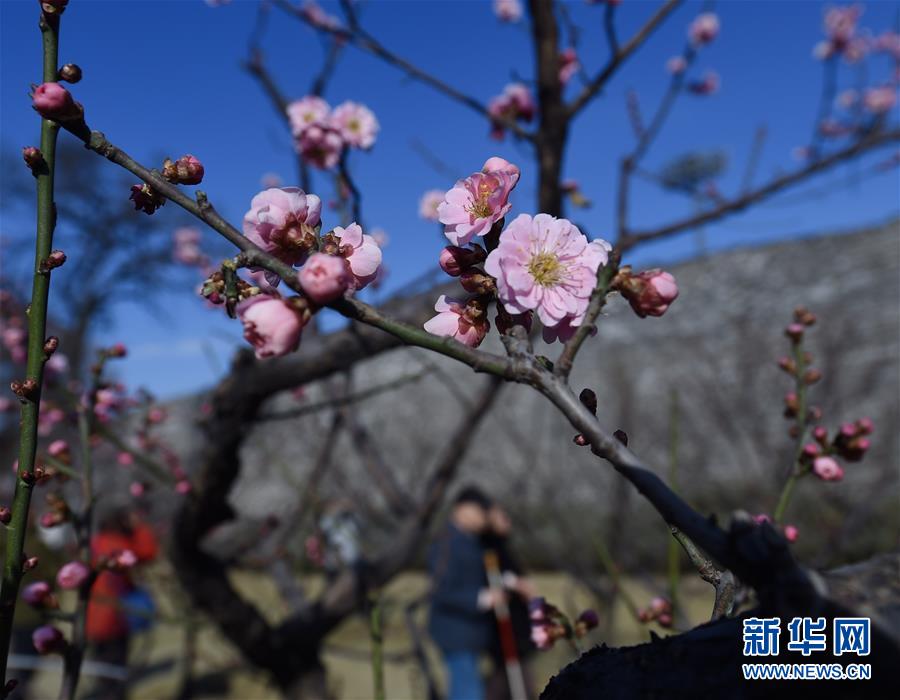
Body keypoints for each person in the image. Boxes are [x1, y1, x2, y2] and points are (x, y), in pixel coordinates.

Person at [428, 486, 500, 700]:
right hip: (455, 633)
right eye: (480, 511)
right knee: (467, 693)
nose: (484, 518)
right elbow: (443, 589)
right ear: (463, 509)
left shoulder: (472, 540)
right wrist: (482, 598)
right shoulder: (446, 543)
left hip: (470, 633)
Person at [86, 508, 159, 700]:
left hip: (93, 616)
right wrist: (141, 528)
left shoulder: (96, 542)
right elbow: (148, 553)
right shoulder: (118, 544)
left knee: (104, 670)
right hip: (114, 616)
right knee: (115, 670)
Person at [482, 504, 537, 700]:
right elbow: (495, 575)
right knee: (512, 682)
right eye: (502, 518)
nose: (508, 522)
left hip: (517, 631)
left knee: (511, 681)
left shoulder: (504, 547)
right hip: (505, 631)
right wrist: (516, 583)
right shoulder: (489, 547)